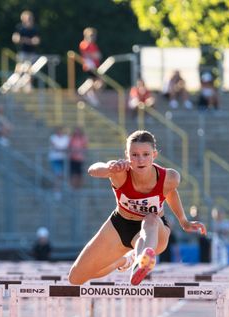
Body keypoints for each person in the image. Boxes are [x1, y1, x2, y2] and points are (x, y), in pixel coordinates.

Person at [67, 130, 206, 286]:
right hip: (120, 225)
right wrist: (110, 168)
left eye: (146, 154)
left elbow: (170, 193)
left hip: (155, 231)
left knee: (150, 218)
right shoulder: (120, 172)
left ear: (154, 155)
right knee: (75, 278)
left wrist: (184, 221)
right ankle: (123, 261)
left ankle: (140, 263)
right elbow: (93, 170)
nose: (140, 160)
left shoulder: (169, 177)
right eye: (135, 155)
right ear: (127, 155)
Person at [11, 10, 40, 92]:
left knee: (31, 70)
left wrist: (24, 40)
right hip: (22, 52)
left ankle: (28, 86)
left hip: (32, 53)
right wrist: (29, 41)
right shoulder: (19, 27)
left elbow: (36, 41)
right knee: (19, 68)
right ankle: (16, 85)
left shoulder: (34, 28)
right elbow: (15, 38)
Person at [79, 27, 103, 106]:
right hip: (89, 66)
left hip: (95, 66)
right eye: (91, 35)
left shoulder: (93, 45)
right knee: (98, 81)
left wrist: (96, 55)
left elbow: (98, 55)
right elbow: (89, 55)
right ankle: (84, 91)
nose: (93, 37)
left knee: (96, 82)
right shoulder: (84, 44)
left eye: (94, 35)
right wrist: (95, 55)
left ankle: (88, 93)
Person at [48, 126, 69, 198]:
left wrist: (60, 149)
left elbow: (65, 148)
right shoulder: (53, 137)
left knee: (62, 176)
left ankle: (60, 190)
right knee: (58, 175)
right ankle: (57, 191)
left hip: (63, 159)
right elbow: (55, 147)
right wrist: (61, 149)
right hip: (55, 159)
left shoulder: (66, 138)